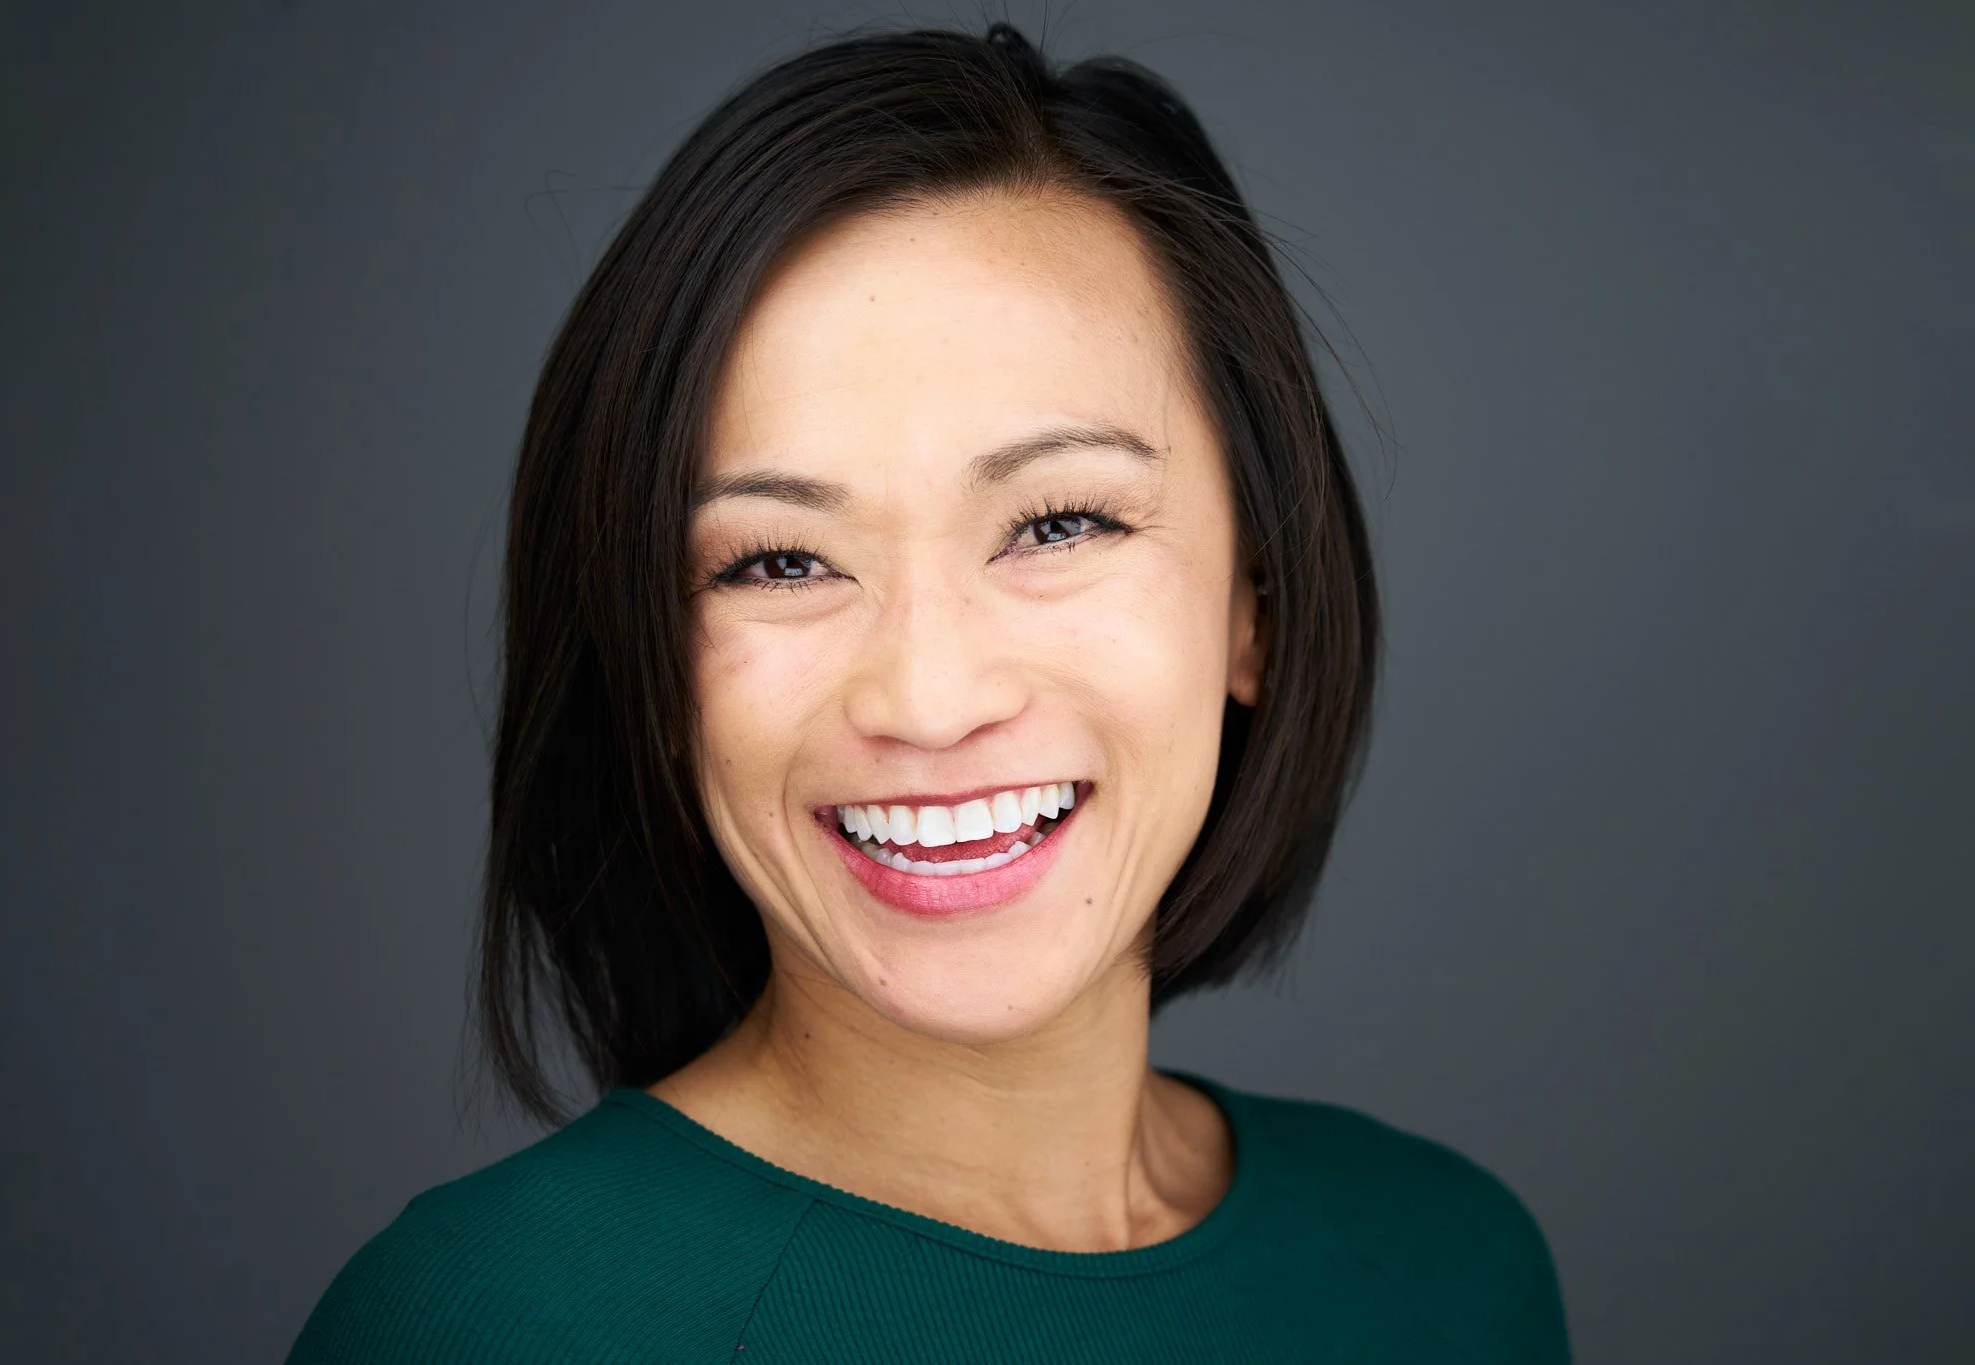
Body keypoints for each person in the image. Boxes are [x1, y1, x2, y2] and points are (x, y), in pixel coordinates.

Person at [288, 20, 1570, 1362]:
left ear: (1255, 599)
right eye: (779, 560)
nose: (930, 695)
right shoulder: (492, 1327)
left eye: (1061, 523)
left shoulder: (1444, 1271)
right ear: (653, 670)